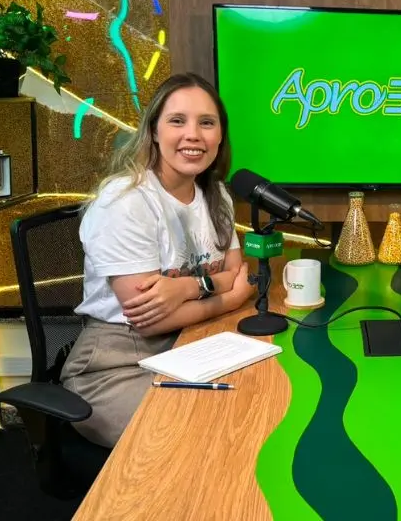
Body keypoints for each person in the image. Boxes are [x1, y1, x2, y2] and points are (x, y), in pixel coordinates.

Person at [60, 72, 256, 448]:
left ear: (219, 136)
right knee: (195, 439)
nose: (194, 134)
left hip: (190, 342)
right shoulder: (126, 201)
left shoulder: (216, 195)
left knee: (246, 413)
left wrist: (185, 287)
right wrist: (226, 296)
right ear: (153, 131)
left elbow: (236, 271)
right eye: (177, 120)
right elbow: (151, 320)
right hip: (115, 363)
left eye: (207, 123)